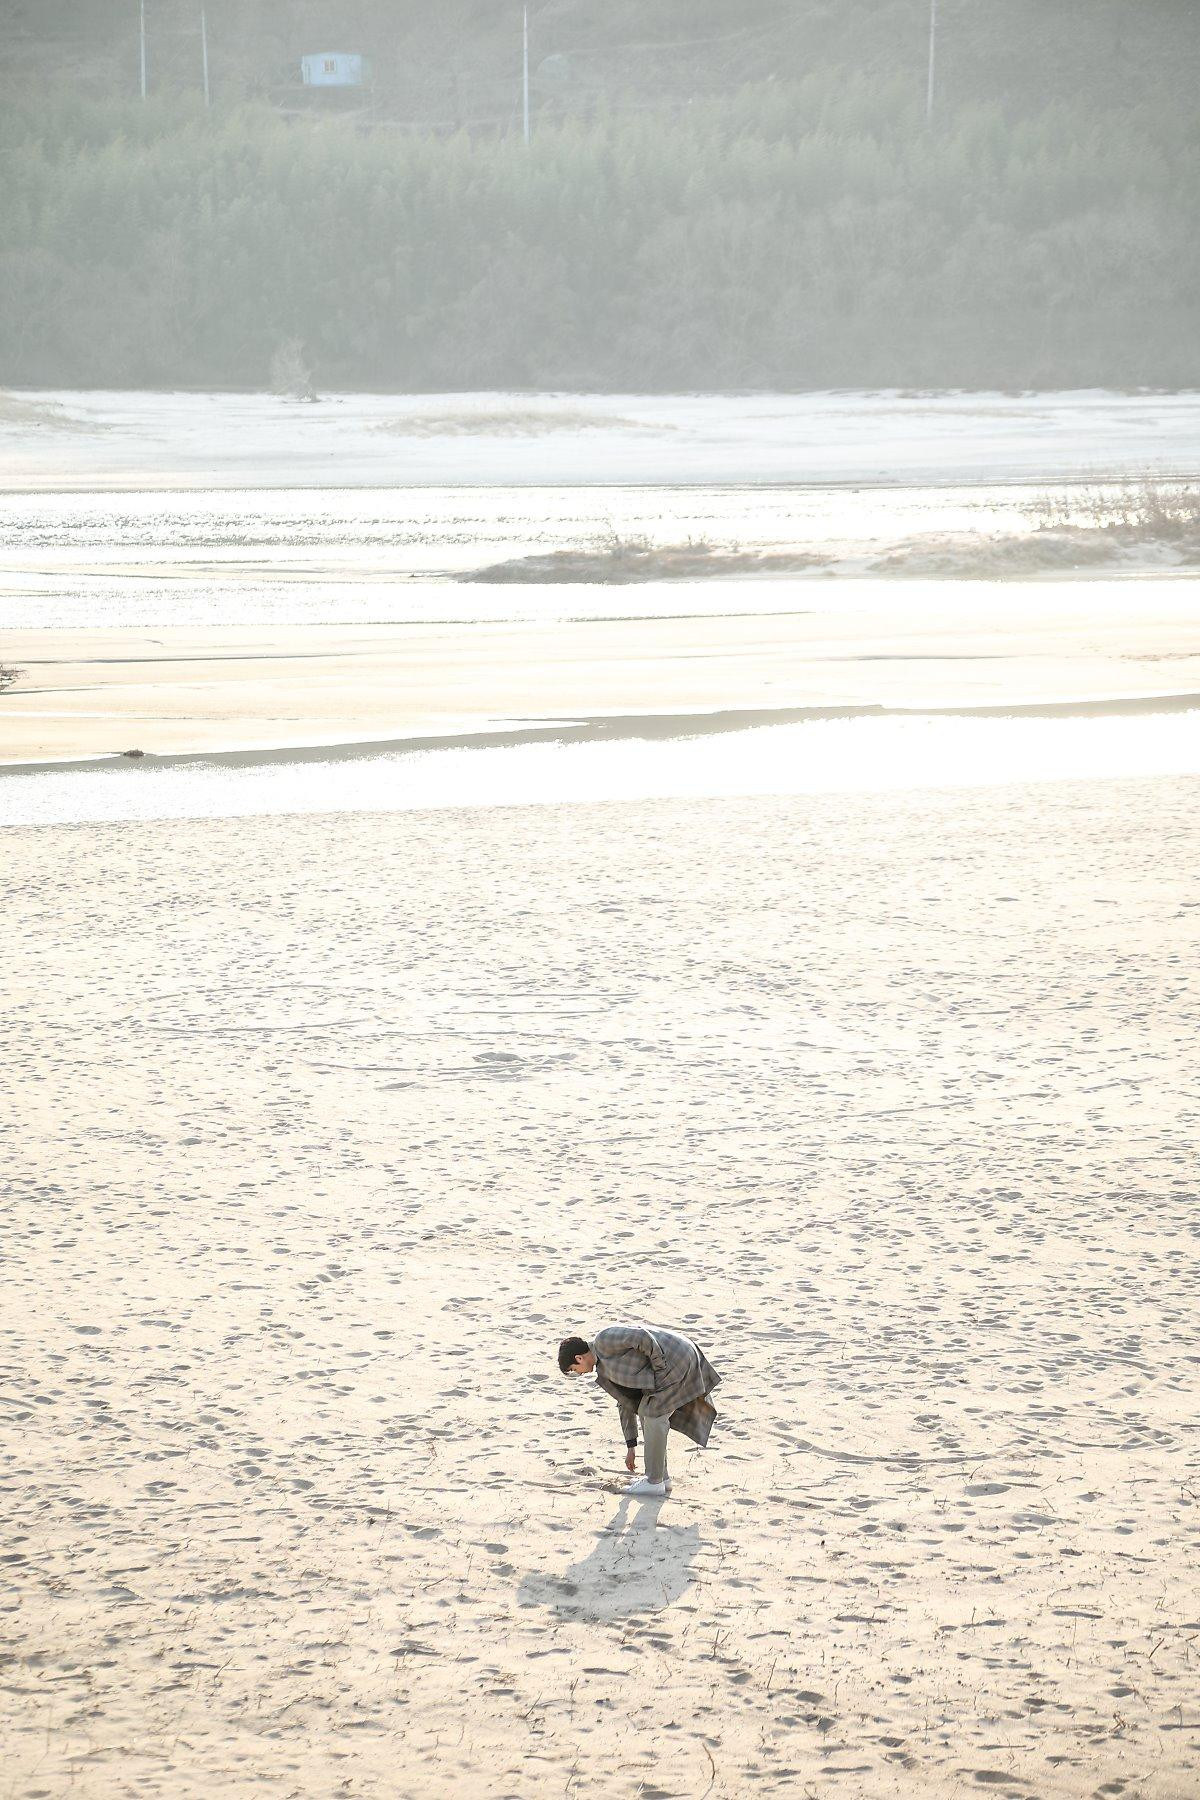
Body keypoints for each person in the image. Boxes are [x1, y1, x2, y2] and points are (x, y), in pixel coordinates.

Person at [558, 1323, 721, 1498]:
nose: (579, 1374)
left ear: (579, 1358)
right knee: (647, 1411)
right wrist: (631, 1446)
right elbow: (625, 1404)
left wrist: (660, 1366)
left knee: (654, 1416)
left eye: (575, 1370)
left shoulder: (604, 1339)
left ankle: (654, 1481)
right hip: (668, 1369)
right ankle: (662, 1479)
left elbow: (641, 1337)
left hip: (678, 1357)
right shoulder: (604, 1372)